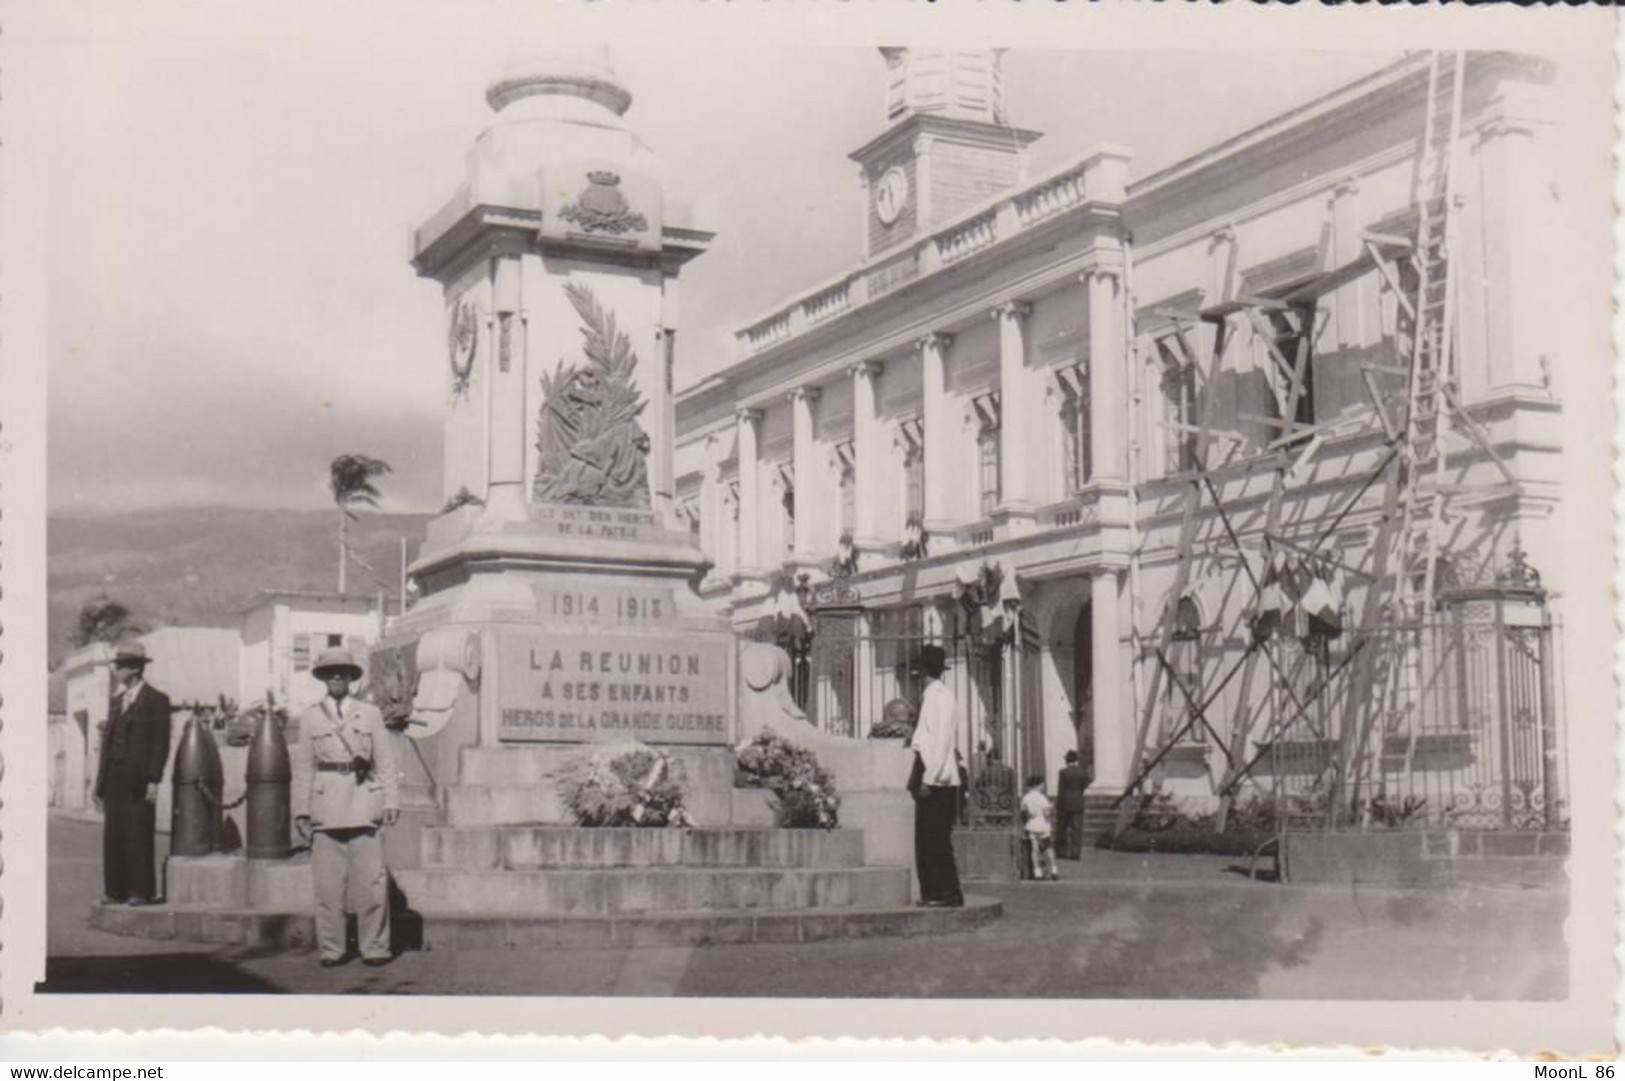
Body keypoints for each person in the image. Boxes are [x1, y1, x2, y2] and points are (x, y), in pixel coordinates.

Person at [292, 648, 400, 968]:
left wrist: (391, 800)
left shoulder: (369, 714)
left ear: (352, 678)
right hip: (325, 807)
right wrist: (301, 810)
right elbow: (303, 769)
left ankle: (375, 947)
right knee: (327, 887)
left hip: (364, 801)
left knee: (372, 884)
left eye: (343, 672)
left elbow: (385, 761)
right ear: (323, 678)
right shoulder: (311, 717)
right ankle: (332, 948)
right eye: (330, 673)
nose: (337, 678)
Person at [93, 642, 172, 905]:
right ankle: (115, 891)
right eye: (118, 665)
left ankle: (140, 891)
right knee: (114, 833)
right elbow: (108, 743)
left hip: (139, 779)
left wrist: (153, 779)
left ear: (136, 668)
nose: (118, 670)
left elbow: (160, 743)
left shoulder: (156, 700)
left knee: (139, 832)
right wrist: (100, 784)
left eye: (123, 665)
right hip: (114, 777)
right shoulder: (117, 702)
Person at [907, 643, 964, 908]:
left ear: (922, 671)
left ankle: (947, 893)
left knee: (935, 840)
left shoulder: (938, 696)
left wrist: (930, 778)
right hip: (932, 771)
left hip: (936, 775)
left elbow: (940, 740)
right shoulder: (935, 694)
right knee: (927, 839)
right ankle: (934, 892)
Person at [1020, 775, 1060, 882]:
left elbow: (1023, 811)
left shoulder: (1026, 797)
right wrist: (1051, 808)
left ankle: (1037, 871)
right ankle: (1054, 869)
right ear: (1037, 785)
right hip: (1043, 824)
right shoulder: (1042, 798)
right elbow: (1046, 813)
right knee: (1048, 848)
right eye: (1042, 785)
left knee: (1034, 849)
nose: (1043, 787)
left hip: (1032, 824)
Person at [1056, 749, 1094, 860]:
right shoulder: (1082, 772)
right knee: (1077, 829)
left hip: (1065, 803)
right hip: (1078, 802)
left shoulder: (1063, 772)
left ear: (1067, 760)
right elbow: (1086, 784)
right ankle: (1075, 853)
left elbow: (1061, 789)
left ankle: (1062, 851)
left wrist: (1059, 805)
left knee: (1062, 829)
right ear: (1076, 760)